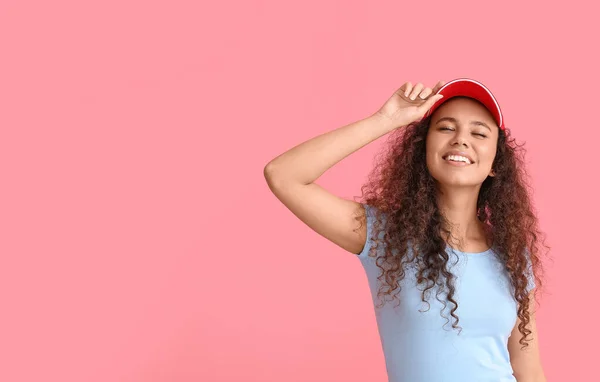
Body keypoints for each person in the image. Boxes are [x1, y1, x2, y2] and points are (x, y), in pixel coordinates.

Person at [263, 78, 547, 382]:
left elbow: (527, 368)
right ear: (422, 149)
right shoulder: (385, 237)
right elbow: (283, 175)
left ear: (495, 164)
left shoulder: (513, 255)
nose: (461, 140)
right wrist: (385, 120)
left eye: (479, 133)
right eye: (446, 128)